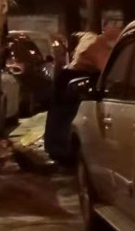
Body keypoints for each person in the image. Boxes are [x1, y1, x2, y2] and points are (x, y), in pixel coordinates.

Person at [45, 20, 120, 164]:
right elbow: (105, 68)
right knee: (67, 116)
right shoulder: (98, 44)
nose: (117, 29)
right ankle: (61, 149)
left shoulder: (94, 41)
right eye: (115, 25)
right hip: (74, 79)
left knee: (61, 115)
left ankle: (58, 148)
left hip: (71, 78)